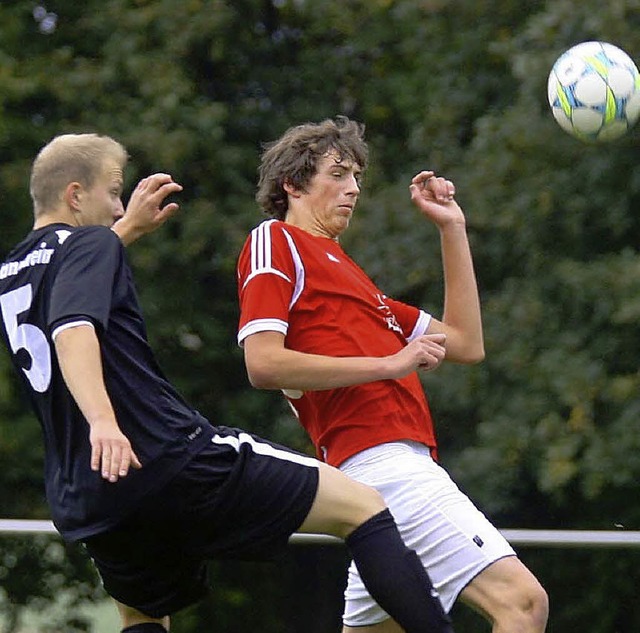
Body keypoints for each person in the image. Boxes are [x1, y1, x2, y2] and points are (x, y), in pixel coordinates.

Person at [0, 132, 455, 633]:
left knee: (142, 613)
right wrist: (104, 420)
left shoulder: (12, 273)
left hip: (91, 487)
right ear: (74, 195)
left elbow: (67, 282)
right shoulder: (89, 242)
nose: (117, 207)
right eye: (112, 193)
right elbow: (73, 328)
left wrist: (127, 229)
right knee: (365, 507)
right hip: (161, 452)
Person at [236, 116, 550, 633]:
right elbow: (262, 363)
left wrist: (452, 228)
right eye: (338, 173)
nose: (353, 188)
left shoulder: (359, 283)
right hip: (387, 467)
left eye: (357, 175)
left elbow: (467, 343)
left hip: (376, 487)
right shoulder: (277, 241)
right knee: (522, 604)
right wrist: (391, 363)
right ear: (292, 184)